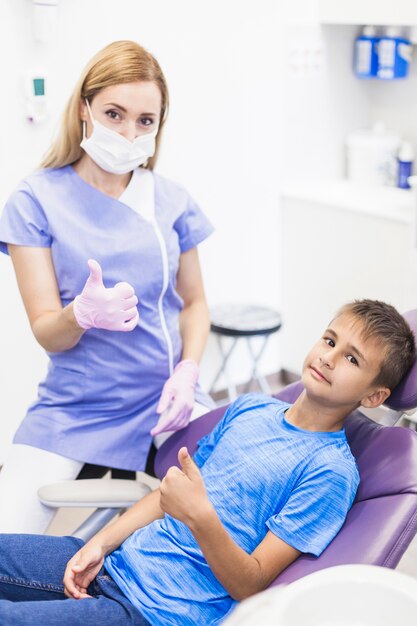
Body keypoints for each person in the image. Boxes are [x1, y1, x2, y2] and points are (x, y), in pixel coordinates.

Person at [0, 299, 414, 626]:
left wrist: (201, 516)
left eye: (352, 359)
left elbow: (251, 586)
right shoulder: (251, 408)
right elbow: (170, 493)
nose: (328, 357)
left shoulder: (330, 472)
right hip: (119, 562)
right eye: (329, 340)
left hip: (158, 611)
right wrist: (100, 543)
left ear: (374, 396)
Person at [0, 40, 215, 533]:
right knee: (7, 544)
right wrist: (79, 314)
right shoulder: (35, 201)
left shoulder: (171, 200)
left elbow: (197, 303)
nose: (128, 131)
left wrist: (187, 371)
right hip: (76, 404)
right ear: (83, 108)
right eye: (114, 113)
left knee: (232, 511)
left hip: (166, 396)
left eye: (145, 121)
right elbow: (46, 332)